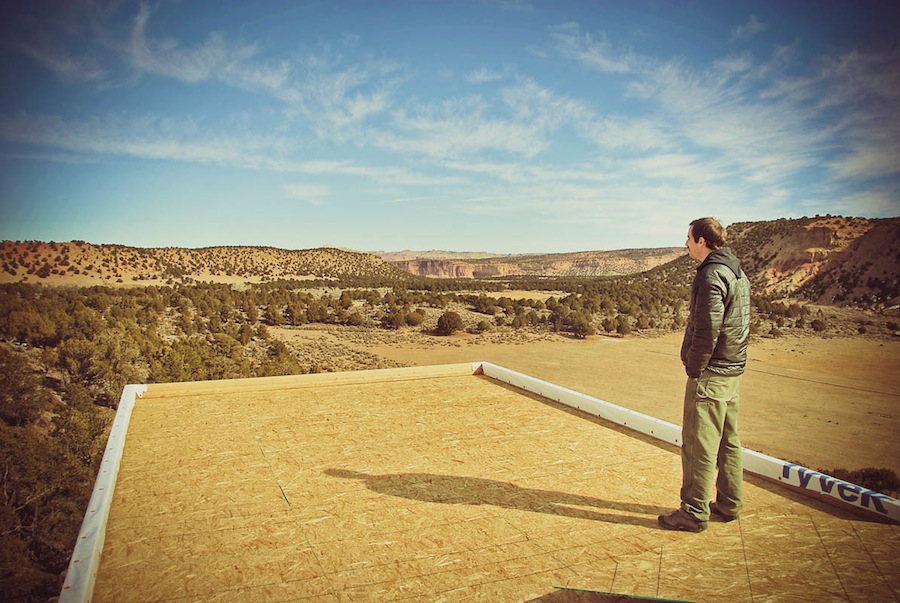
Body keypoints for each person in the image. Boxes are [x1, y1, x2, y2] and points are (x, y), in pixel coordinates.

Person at [658, 217, 751, 533]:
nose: (685, 243)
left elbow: (708, 329)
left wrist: (695, 368)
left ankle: (694, 513)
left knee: (699, 444)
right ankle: (729, 504)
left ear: (702, 241)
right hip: (732, 371)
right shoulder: (736, 271)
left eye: (688, 238)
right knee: (728, 440)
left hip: (711, 373)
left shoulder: (711, 275)